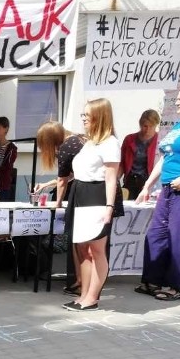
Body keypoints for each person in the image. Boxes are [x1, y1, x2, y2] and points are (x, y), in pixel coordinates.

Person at [134, 82, 180, 301]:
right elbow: (165, 157)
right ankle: (153, 279)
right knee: (157, 234)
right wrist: (147, 185)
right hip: (168, 188)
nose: (177, 103)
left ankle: (177, 285)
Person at [63, 99, 121, 311]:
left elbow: (111, 177)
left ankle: (92, 298)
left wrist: (109, 207)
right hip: (80, 194)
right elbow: (78, 172)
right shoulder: (89, 142)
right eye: (83, 115)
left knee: (96, 249)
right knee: (82, 248)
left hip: (97, 196)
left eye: (88, 115)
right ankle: (83, 294)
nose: (84, 119)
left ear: (100, 117)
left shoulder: (110, 143)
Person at [36, 121, 86, 295]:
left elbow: (63, 180)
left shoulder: (66, 147)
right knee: (81, 243)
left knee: (78, 242)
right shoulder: (77, 141)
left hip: (84, 194)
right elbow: (69, 175)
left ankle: (80, 283)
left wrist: (57, 206)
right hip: (92, 192)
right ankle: (80, 282)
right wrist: (47, 184)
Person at [119, 109, 161, 201]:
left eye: (151, 126)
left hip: (149, 182)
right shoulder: (129, 139)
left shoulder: (160, 140)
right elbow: (122, 163)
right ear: (140, 124)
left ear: (156, 125)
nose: (148, 130)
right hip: (130, 181)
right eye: (145, 126)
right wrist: (116, 180)